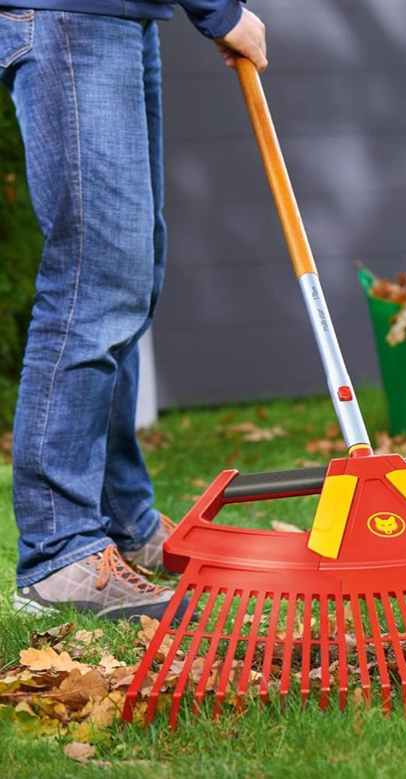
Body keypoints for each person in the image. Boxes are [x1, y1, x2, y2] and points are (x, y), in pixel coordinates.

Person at [1, 0, 267, 620]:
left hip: (119, 17)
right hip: (71, 15)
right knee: (95, 276)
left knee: (132, 273)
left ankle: (121, 522)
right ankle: (60, 552)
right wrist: (219, 11)